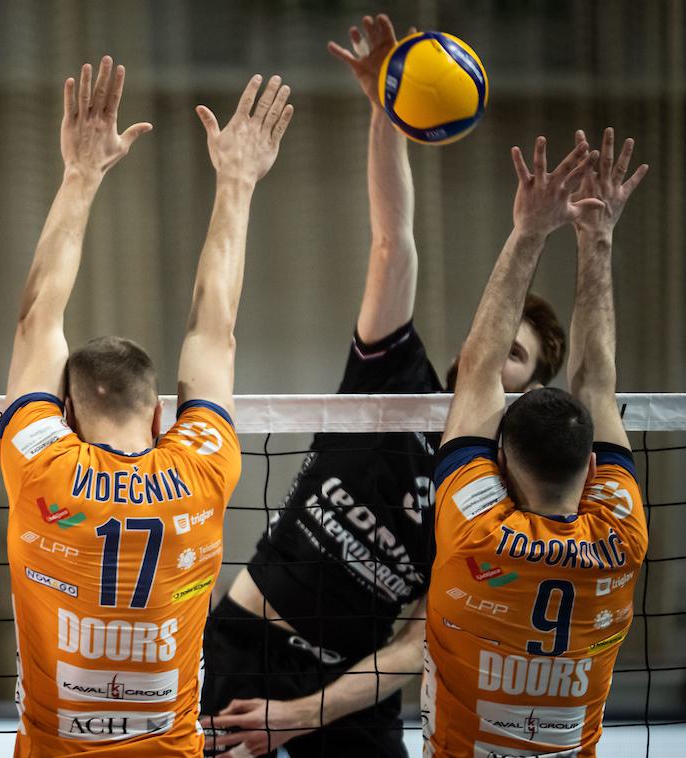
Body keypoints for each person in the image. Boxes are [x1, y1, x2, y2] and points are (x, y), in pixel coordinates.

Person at [204, 14, 567, 758]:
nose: (498, 353)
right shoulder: (393, 374)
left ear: (528, 392)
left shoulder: (495, 494)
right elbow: (391, 242)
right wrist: (386, 112)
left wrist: (305, 716)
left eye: (518, 357)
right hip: (249, 651)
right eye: (497, 336)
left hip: (352, 688)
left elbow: (419, 641)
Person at [0, 56, 292, 755]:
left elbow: (37, 320)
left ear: (65, 414)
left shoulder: (39, 463)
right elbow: (212, 330)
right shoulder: (202, 467)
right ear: (161, 416)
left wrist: (79, 173)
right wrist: (238, 183)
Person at [423, 129, 648, 757]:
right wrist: (597, 239)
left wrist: (529, 231)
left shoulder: (475, 529)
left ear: (500, 460)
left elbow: (478, 372)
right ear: (593, 464)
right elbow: (597, 386)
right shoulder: (621, 537)